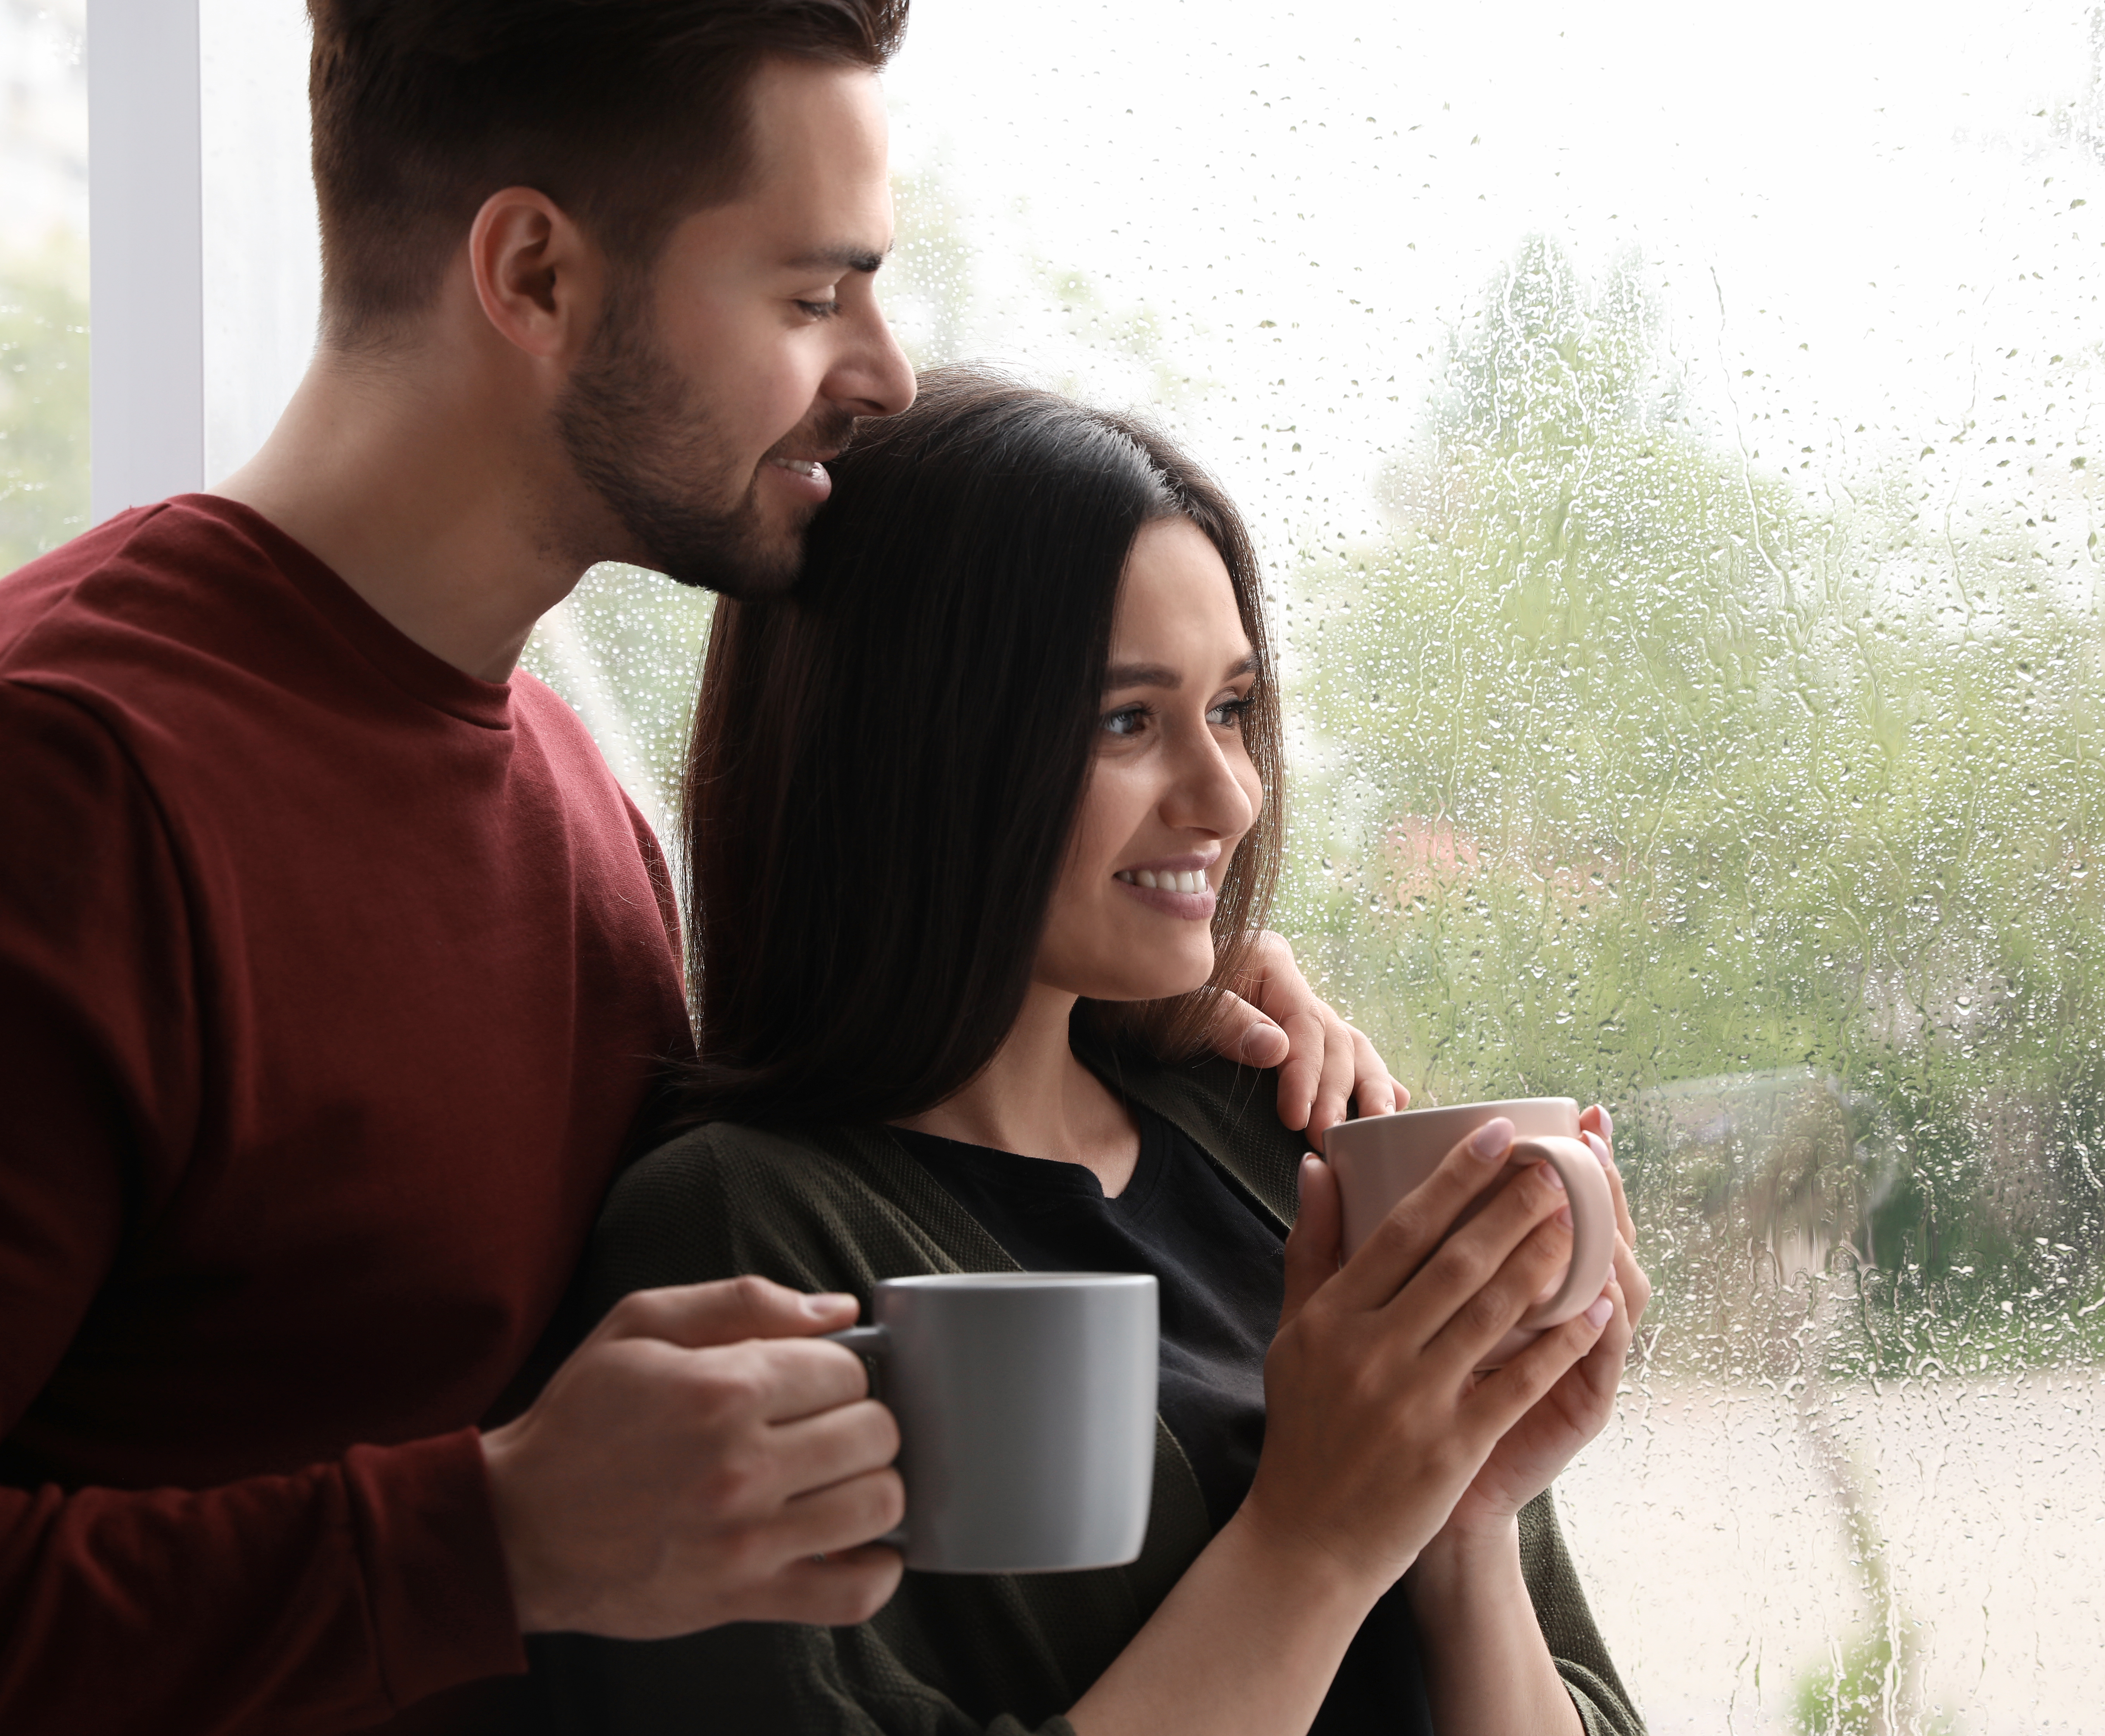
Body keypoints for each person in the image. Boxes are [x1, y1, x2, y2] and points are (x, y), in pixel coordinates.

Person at [0, 6, 1399, 1732]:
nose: (882, 370)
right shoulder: (67, 783)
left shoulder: (576, 810)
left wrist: (1147, 1016)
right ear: (532, 275)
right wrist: (492, 1537)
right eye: (814, 297)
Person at [529, 369, 1652, 1736]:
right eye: (1128, 720)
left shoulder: (1275, 1132)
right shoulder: (735, 1236)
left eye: (1232, 709)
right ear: (916, 752)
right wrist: (1316, 1539)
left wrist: (1461, 1525)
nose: (1228, 795)